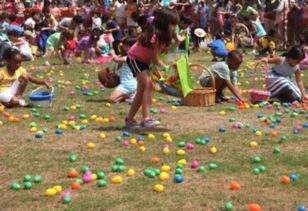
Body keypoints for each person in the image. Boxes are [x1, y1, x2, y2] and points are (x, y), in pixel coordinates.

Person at [125, 8, 179, 129]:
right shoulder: (155, 36)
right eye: (172, 24)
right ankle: (145, 119)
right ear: (164, 23)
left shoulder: (163, 36)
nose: (174, 27)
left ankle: (130, 120)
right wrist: (168, 69)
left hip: (143, 61)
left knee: (141, 90)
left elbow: (163, 55)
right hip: (135, 59)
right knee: (149, 84)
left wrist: (176, 43)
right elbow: (156, 59)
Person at [108, 37, 137, 103]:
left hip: (128, 84)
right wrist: (114, 73)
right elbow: (121, 68)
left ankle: (128, 95)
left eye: (128, 46)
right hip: (129, 84)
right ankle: (130, 94)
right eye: (125, 45)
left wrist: (112, 54)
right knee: (112, 99)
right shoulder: (128, 56)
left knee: (111, 99)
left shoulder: (130, 57)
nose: (125, 47)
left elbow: (117, 60)